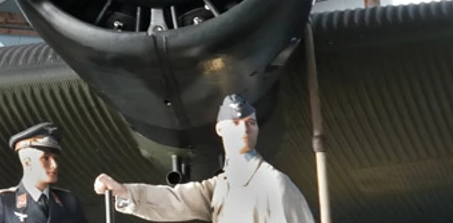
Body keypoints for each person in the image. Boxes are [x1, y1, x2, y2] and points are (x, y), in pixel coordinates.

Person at [93, 94, 315, 222]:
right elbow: (175, 200)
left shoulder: (275, 185)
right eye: (236, 124)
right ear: (220, 130)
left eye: (251, 123)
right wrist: (123, 191)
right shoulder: (221, 187)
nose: (245, 131)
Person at [0, 122, 90, 223]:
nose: (54, 165)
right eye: (46, 158)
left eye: (55, 158)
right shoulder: (4, 201)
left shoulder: (68, 202)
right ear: (27, 162)